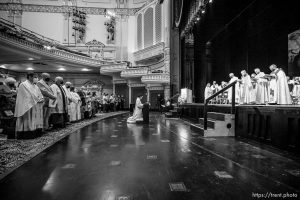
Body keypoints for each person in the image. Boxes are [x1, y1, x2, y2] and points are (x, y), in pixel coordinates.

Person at [14, 72, 44, 139]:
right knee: (27, 120)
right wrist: (38, 99)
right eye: (35, 77)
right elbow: (28, 95)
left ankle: (35, 132)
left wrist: (41, 98)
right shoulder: (23, 84)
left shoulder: (35, 86)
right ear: (30, 77)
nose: (36, 78)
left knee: (35, 119)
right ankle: (27, 134)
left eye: (36, 77)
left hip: (35, 104)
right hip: (27, 106)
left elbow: (39, 94)